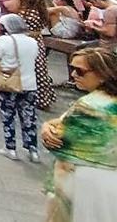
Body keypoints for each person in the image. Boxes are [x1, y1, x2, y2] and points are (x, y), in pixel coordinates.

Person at [41, 47, 117, 222]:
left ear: (102, 74)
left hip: (83, 182)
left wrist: (46, 129)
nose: (73, 74)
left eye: (80, 71)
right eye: (72, 68)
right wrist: (48, 124)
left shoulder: (89, 105)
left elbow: (57, 139)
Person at [0, 14, 40, 162]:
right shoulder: (32, 41)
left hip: (8, 83)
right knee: (29, 117)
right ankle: (33, 150)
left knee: (8, 116)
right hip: (29, 84)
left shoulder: (4, 41)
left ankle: (10, 148)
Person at [16, 0, 56, 110]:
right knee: (41, 70)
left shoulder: (25, 13)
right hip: (38, 42)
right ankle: (45, 98)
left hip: (27, 42)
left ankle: (36, 98)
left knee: (31, 70)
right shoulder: (41, 11)